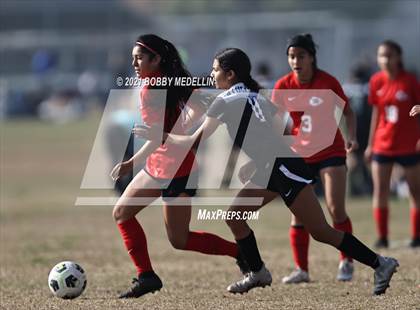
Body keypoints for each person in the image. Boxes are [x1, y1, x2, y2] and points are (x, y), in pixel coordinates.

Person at [135, 47, 399, 296]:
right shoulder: (252, 94)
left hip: (283, 168)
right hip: (274, 166)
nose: (212, 74)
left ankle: (381, 263)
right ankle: (258, 272)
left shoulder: (225, 100)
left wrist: (160, 136)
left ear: (230, 74)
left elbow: (193, 141)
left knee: (321, 232)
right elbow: (284, 130)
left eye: (216, 70)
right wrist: (259, 160)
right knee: (235, 216)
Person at [111, 34, 248, 299]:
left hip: (179, 170)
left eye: (139, 58)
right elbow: (195, 103)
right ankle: (147, 276)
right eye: (133, 59)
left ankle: (239, 252)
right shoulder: (165, 82)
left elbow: (155, 137)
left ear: (156, 59)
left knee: (180, 240)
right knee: (122, 213)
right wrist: (183, 124)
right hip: (159, 165)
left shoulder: (153, 90)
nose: (135, 64)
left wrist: (130, 162)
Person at [271, 34, 358, 283]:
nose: (295, 61)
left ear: (311, 57)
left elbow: (349, 113)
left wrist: (351, 137)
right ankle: (302, 270)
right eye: (291, 56)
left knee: (335, 208)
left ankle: (346, 261)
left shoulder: (327, 82)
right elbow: (277, 123)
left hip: (331, 151)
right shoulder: (283, 86)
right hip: (300, 154)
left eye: (301, 56)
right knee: (298, 213)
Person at [365, 40, 420, 248]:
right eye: (381, 55)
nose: (385, 59)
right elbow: (376, 114)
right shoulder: (376, 81)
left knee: (415, 190)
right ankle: (383, 237)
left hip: (409, 144)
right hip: (382, 144)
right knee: (380, 190)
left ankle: (416, 236)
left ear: (398, 57)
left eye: (389, 55)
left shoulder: (410, 81)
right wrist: (370, 144)